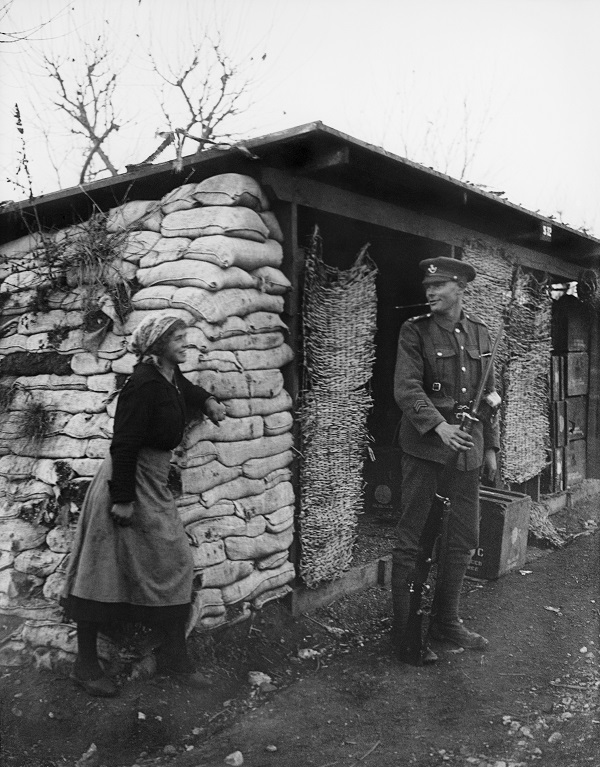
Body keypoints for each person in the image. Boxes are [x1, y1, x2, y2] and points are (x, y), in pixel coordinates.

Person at [62, 312, 226, 696]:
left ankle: (174, 658)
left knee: (174, 563)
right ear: (157, 347)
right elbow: (124, 443)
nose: (187, 344)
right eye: (179, 339)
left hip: (152, 479)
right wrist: (122, 499)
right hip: (127, 480)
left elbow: (184, 388)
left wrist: (208, 402)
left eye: (187, 337)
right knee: (102, 572)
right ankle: (85, 666)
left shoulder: (167, 377)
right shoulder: (142, 384)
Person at [391, 256, 500, 665]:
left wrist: (489, 446)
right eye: (427, 288)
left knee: (463, 539)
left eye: (439, 286)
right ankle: (406, 635)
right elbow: (405, 389)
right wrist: (439, 426)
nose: (431, 292)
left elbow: (490, 396)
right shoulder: (414, 332)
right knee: (413, 540)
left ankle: (446, 621)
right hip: (426, 451)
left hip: (467, 454)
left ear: (460, 288)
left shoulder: (480, 334)